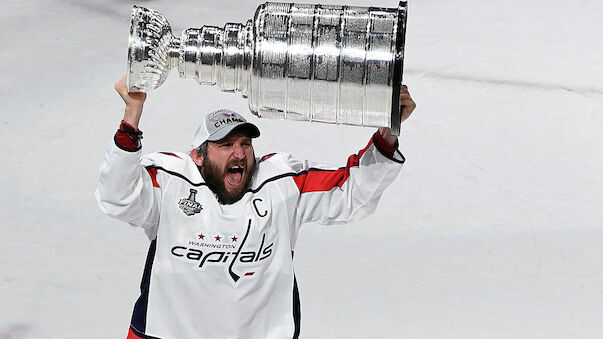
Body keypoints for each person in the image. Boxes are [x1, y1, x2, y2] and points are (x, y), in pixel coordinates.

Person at [96, 76, 416, 339]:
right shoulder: (169, 180)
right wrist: (132, 115)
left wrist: (388, 135)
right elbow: (117, 197)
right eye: (225, 145)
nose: (239, 153)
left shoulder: (281, 181)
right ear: (198, 155)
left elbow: (351, 192)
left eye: (245, 144)